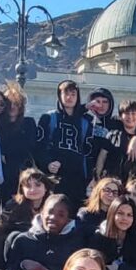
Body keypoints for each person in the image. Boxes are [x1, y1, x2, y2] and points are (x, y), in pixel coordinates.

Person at [37, 79, 92, 207]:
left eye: (73, 94)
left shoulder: (85, 122)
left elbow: (87, 152)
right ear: (59, 96)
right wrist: (47, 163)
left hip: (77, 178)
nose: (69, 97)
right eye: (66, 93)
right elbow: (39, 146)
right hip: (55, 176)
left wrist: (89, 177)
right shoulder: (49, 118)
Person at [0, 83, 38, 200]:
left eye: (16, 103)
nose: (12, 107)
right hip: (1, 174)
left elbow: (30, 146)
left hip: (22, 173)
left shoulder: (28, 123)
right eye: (8, 103)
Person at [0, 167, 49, 242]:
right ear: (22, 189)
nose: (33, 190)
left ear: (46, 188)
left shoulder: (53, 206)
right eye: (28, 186)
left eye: (38, 185)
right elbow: (2, 232)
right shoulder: (13, 206)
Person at [85, 87, 120, 180]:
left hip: (106, 174)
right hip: (84, 170)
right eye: (97, 101)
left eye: (105, 102)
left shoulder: (116, 123)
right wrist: (86, 107)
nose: (101, 105)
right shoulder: (84, 120)